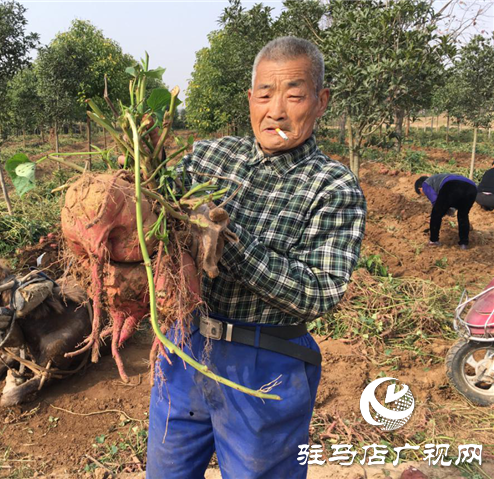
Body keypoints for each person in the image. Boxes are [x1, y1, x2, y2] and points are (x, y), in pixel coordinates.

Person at [146, 37, 366, 479]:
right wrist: (141, 171)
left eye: (294, 96)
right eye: (265, 95)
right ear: (250, 99)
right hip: (184, 348)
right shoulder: (208, 157)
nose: (276, 111)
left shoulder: (333, 187)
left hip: (266, 362)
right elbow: (157, 206)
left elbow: (318, 292)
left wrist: (227, 242)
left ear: (321, 101)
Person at [414, 173, 477, 249]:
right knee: (463, 215)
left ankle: (433, 241)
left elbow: (435, 201)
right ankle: (464, 243)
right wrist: (449, 209)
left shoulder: (425, 184)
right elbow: (455, 198)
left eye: (422, 194)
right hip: (472, 188)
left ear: (420, 189)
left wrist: (440, 212)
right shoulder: (439, 178)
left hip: (452, 185)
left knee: (436, 213)